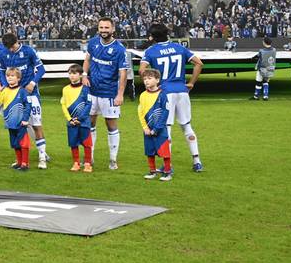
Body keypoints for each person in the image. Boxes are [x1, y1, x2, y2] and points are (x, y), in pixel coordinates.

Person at [142, 23, 204, 172]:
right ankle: (197, 161)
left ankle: (167, 164)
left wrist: (152, 82)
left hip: (165, 92)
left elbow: (142, 71)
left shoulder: (151, 51)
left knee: (166, 129)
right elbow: (199, 63)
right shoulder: (179, 47)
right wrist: (191, 83)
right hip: (182, 91)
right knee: (187, 126)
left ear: (152, 37)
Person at [82, 18, 128, 171]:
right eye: (101, 27)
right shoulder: (93, 43)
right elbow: (87, 59)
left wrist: (120, 94)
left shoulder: (119, 49)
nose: (103, 30)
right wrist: (84, 74)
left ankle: (113, 159)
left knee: (111, 124)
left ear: (113, 29)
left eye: (106, 27)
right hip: (92, 91)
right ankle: (90, 157)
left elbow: (123, 74)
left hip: (109, 93)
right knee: (90, 123)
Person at [1, 31, 49, 169]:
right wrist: (5, 84)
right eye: (8, 48)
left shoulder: (29, 51)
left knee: (36, 125)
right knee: (18, 125)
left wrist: (33, 83)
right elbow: (2, 71)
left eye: (12, 47)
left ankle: (42, 157)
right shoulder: (5, 54)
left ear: (17, 42)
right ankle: (21, 159)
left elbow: (41, 69)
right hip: (15, 96)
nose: (11, 50)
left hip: (31, 94)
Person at [138, 64, 173, 181]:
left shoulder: (163, 95)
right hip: (148, 130)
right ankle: (152, 171)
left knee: (164, 151)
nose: (146, 81)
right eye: (144, 79)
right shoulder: (142, 95)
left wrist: (156, 129)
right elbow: (141, 112)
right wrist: (145, 127)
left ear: (157, 80)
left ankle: (167, 172)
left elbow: (165, 112)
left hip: (160, 130)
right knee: (149, 151)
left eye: (149, 78)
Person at [0, 67, 31, 171]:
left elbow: (28, 105)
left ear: (18, 78)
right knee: (15, 143)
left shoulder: (22, 91)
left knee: (23, 143)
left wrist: (25, 119)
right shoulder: (5, 90)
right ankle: (19, 162)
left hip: (21, 122)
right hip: (10, 122)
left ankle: (25, 164)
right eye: (8, 76)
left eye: (12, 76)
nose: (9, 78)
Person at [61, 64, 92, 172]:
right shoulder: (65, 89)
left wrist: (80, 118)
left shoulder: (85, 89)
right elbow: (63, 105)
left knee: (87, 143)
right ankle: (76, 163)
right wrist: (70, 119)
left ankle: (88, 163)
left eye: (74, 73)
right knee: (73, 143)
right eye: (70, 73)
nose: (72, 76)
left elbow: (88, 104)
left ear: (80, 75)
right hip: (71, 122)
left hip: (84, 122)